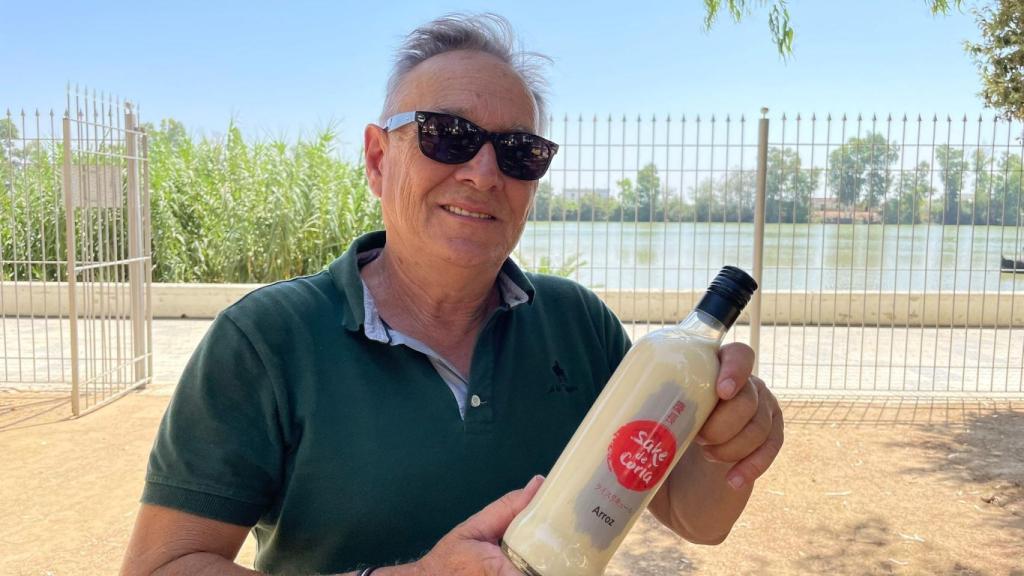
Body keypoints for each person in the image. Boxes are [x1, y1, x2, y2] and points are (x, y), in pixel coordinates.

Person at [120, 13, 783, 576]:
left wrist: (730, 445)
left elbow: (696, 518)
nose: (484, 173)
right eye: (447, 135)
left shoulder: (580, 325)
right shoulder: (265, 341)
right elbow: (162, 565)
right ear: (378, 160)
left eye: (519, 151)